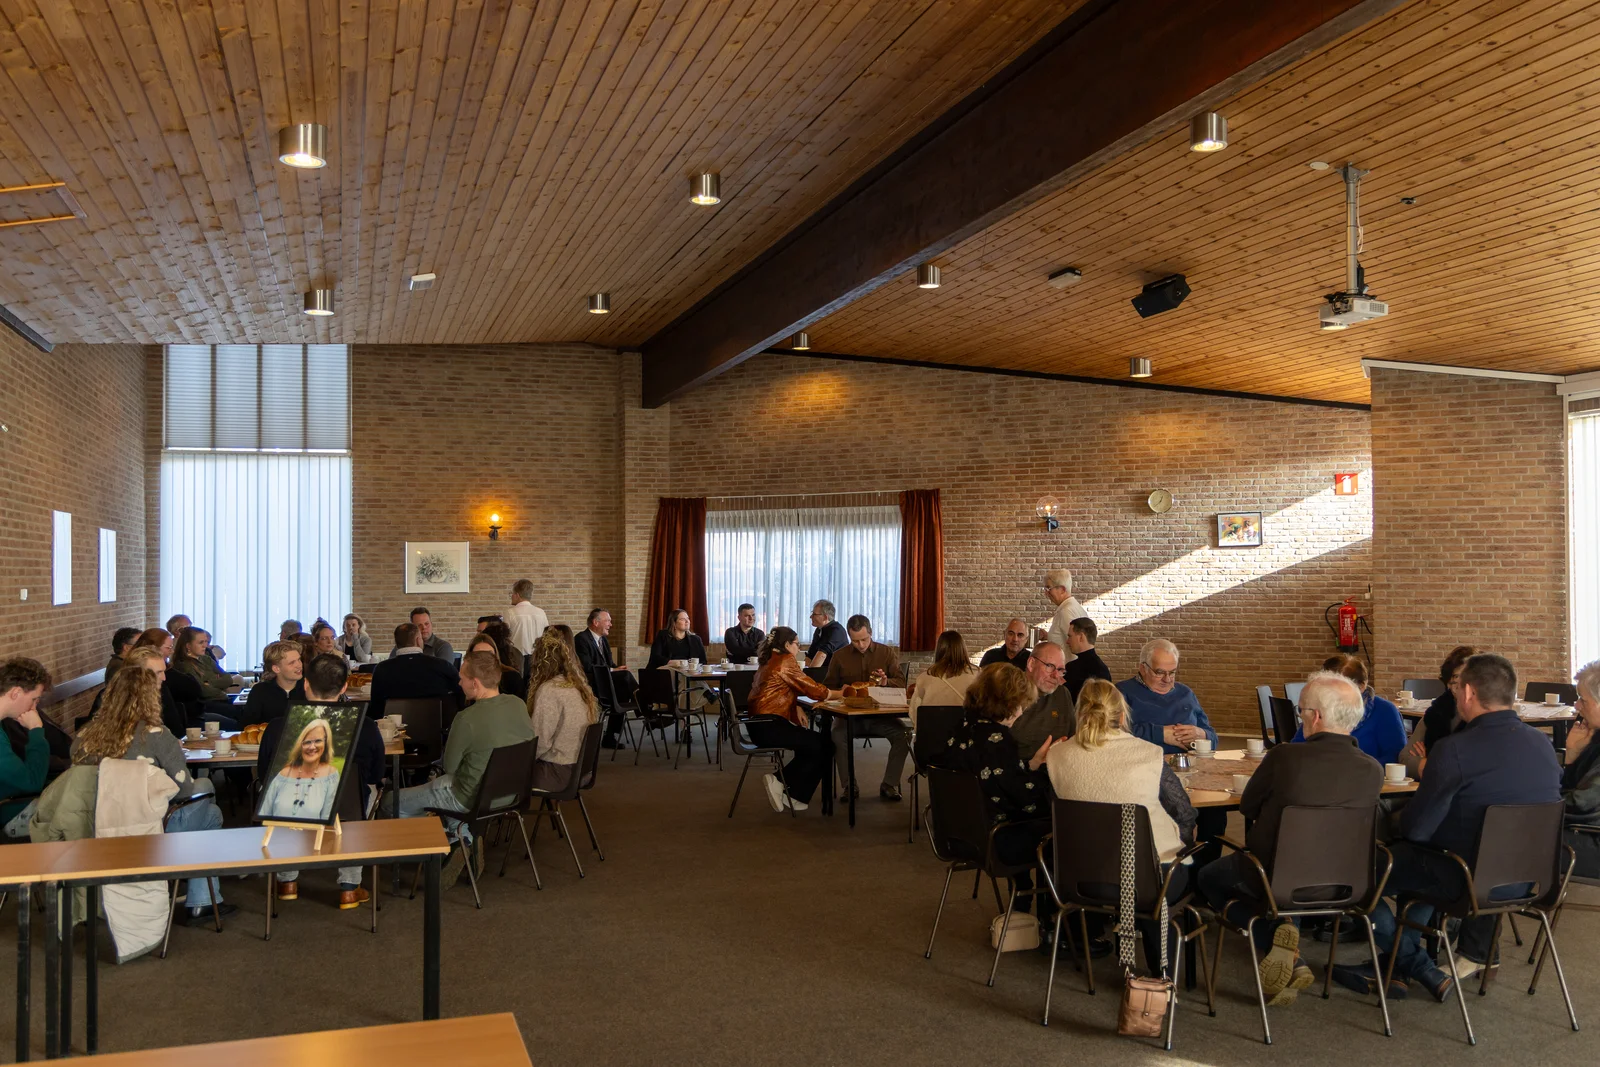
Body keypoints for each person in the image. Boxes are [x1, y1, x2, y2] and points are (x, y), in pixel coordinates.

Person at [1334, 654, 1562, 1002]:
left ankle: (1414, 964)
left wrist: (1392, 821)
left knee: (1355, 871)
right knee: (1418, 869)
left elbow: (1417, 828)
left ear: (1468, 693)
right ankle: (1399, 967)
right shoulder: (1543, 746)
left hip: (1465, 878)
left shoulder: (1454, 749)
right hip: (1529, 878)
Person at [1200, 671, 1383, 1006]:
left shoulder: (1285, 757)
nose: (1300, 718)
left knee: (1207, 877)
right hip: (1346, 884)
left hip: (1273, 878)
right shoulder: (1373, 770)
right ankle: (1287, 940)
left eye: (1301, 711)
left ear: (1316, 716)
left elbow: (1248, 806)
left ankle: (1277, 940)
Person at [1046, 678, 1197, 970]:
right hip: (1146, 882)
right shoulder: (1148, 754)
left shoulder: (1056, 755)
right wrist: (1184, 841)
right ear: (1122, 714)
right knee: (1167, 863)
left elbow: (1060, 810)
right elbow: (1184, 813)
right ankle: (1159, 973)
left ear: (1080, 713)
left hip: (1080, 879)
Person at [72, 663, 236, 924]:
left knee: (207, 808)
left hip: (97, 825)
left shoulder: (84, 737)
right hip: (149, 827)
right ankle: (203, 900)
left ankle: (204, 899)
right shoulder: (156, 735)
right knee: (208, 801)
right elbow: (183, 789)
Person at [389, 651, 534, 887]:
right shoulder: (518, 705)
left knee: (391, 802)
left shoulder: (466, 718)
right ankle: (461, 836)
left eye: (462, 678)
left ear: (475, 684)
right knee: (443, 791)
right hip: (512, 794)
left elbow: (450, 767)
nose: (458, 683)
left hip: (470, 797)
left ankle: (458, 842)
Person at [929, 664, 1053, 929]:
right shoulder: (998, 739)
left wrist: (1031, 764)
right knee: (1056, 831)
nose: (1022, 712)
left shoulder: (961, 728)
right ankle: (1052, 923)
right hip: (995, 841)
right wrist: (1046, 776)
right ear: (1009, 703)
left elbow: (995, 778)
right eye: (1021, 705)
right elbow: (1024, 800)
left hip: (959, 834)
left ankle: (1022, 899)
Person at [258, 654, 383, 909]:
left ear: (305, 684)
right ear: (345, 687)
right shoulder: (366, 726)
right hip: (347, 809)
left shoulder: (277, 727)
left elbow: (264, 775)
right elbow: (375, 774)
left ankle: (287, 880)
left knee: (279, 791)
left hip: (294, 807)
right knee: (365, 791)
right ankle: (350, 887)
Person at [746, 627, 839, 812]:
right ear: (787, 645)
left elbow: (779, 687)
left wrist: (795, 705)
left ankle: (794, 795)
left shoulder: (768, 659)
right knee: (826, 745)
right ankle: (780, 780)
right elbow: (815, 690)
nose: (799, 648)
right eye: (797, 644)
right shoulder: (786, 660)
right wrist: (841, 693)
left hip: (757, 726)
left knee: (813, 745)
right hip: (770, 726)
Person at [824, 615, 911, 802]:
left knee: (904, 735)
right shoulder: (839, 656)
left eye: (864, 639)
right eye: (855, 641)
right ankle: (849, 785)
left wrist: (886, 681)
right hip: (848, 717)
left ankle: (889, 783)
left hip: (880, 717)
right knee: (837, 735)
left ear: (871, 633)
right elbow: (827, 687)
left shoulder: (886, 653)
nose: (861, 645)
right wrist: (841, 690)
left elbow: (901, 683)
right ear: (849, 637)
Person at [1291, 654, 1406, 766]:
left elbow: (1395, 758)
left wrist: (1351, 767)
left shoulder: (1384, 711)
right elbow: (1297, 747)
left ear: (1362, 686)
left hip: (1367, 775)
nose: (1330, 694)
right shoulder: (1318, 707)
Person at [526, 634, 599, 792]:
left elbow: (539, 743)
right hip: (582, 769)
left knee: (504, 772)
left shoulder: (549, 690)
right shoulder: (579, 686)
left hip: (560, 773)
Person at [1117, 639, 1216, 755]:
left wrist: (1202, 734)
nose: (1167, 679)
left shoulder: (1186, 693)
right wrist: (1161, 734)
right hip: (1144, 763)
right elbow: (1110, 735)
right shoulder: (1121, 692)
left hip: (1189, 763)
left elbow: (1213, 739)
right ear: (1143, 669)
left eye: (1172, 672)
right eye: (1160, 672)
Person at [1400, 644, 1477, 779]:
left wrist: (1432, 763)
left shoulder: (1487, 717)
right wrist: (1425, 764)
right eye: (1455, 680)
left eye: (1468, 679)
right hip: (1434, 790)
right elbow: (1404, 759)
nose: (1462, 687)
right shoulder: (1437, 712)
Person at [369, 622, 463, 721]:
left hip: (393, 727)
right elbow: (460, 691)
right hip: (438, 725)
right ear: (418, 640)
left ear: (397, 644)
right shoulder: (443, 666)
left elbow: (376, 707)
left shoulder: (381, 669)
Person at [0, 658, 50, 838]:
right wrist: (36, 731)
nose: (34, 707)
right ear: (16, 693)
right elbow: (32, 782)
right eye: (34, 699)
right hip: (8, 811)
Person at [1560, 661, 1600, 878]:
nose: (1576, 706)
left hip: (1593, 840)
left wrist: (1535, 804)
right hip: (1586, 830)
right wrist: (1572, 755)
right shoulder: (1594, 738)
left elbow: (1582, 805)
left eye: (1583, 700)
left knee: (1513, 838)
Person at [576, 609, 636, 749]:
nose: (611, 624)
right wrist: (613, 670)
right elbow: (586, 666)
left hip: (606, 684)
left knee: (622, 688)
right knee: (625, 678)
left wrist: (617, 668)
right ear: (596, 622)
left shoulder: (603, 640)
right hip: (592, 685)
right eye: (608, 621)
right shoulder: (581, 639)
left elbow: (610, 665)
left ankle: (609, 736)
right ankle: (643, 704)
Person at [1010, 641, 1077, 753]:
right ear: (1031, 664)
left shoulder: (1062, 694)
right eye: (1049, 666)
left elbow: (1072, 737)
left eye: (1060, 670)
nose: (1055, 675)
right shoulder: (1009, 692)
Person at [907, 630, 977, 723]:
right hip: (966, 731)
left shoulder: (924, 678)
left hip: (932, 731)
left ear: (939, 650)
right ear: (962, 649)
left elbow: (913, 713)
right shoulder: (978, 676)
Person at [240, 641, 306, 726]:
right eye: (292, 663)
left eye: (299, 659)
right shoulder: (260, 691)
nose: (299, 665)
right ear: (276, 669)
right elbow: (247, 726)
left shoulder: (311, 688)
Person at [170, 626, 239, 700]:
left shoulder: (206, 659)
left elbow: (228, 678)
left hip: (218, 699)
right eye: (201, 642)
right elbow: (203, 691)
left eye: (206, 642)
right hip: (205, 703)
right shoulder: (184, 665)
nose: (205, 646)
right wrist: (222, 692)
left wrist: (208, 682)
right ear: (188, 646)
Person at [1038, 568, 1088, 656]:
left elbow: (1078, 644)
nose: (1046, 593)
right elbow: (1066, 638)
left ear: (1062, 590)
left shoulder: (1066, 611)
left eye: (1049, 588)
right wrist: (1048, 636)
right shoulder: (1072, 607)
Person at [465, 632, 527, 701]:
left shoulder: (512, 678)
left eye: (489, 654)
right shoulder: (465, 680)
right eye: (478, 656)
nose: (485, 660)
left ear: (496, 656)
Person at [1061, 617, 1112, 699]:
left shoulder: (1072, 668)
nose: (1067, 641)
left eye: (1070, 636)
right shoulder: (1103, 669)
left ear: (1081, 637)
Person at [507, 579, 549, 675]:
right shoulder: (541, 612)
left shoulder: (510, 613)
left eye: (512, 594)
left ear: (517, 595)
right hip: (537, 658)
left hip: (517, 659)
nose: (511, 596)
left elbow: (505, 637)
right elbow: (546, 635)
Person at [805, 600, 849, 668]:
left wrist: (810, 673)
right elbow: (810, 655)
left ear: (825, 617)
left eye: (814, 614)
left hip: (837, 672)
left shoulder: (836, 631)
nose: (811, 617)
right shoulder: (819, 630)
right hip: (823, 671)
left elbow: (822, 655)